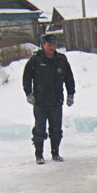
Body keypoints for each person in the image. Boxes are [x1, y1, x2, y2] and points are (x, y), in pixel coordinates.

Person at [23, 33, 75, 164]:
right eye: (49, 45)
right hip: (40, 101)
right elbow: (27, 78)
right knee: (39, 129)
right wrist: (29, 94)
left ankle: (55, 153)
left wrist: (70, 94)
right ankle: (39, 155)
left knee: (56, 129)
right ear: (43, 45)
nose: (52, 48)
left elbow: (69, 78)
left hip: (56, 101)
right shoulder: (35, 60)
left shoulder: (61, 60)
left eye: (54, 45)